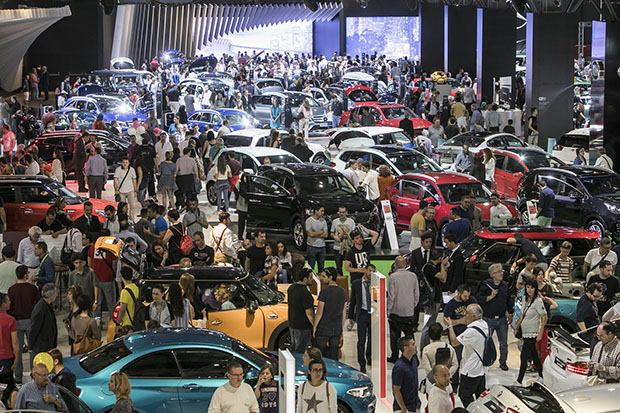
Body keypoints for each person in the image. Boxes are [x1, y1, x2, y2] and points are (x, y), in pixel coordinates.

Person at [445, 303, 487, 407]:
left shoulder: (472, 331)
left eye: (466, 313)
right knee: (480, 395)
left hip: (470, 370)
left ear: (473, 316)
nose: (464, 315)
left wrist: (450, 326)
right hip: (481, 369)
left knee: (464, 395)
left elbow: (454, 342)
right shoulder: (484, 324)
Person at [475, 263, 511, 371]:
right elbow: (479, 299)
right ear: (492, 274)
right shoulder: (485, 285)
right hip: (488, 318)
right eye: (499, 272)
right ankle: (485, 360)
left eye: (502, 271)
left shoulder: (504, 285)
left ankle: (503, 362)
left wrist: (510, 312)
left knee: (504, 343)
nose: (501, 273)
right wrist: (489, 297)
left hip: (501, 318)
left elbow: (508, 300)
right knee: (486, 341)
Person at [8, 265, 39, 383]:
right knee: (33, 349)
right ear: (26, 275)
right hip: (31, 320)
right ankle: (34, 374)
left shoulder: (12, 290)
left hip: (17, 322)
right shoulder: (32, 289)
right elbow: (37, 305)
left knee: (18, 350)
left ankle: (18, 377)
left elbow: (10, 307)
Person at [387, 256, 419, 363]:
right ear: (405, 265)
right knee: (410, 336)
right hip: (409, 312)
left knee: (395, 336)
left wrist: (388, 311)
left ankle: (395, 356)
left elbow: (391, 296)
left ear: (395, 265)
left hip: (396, 312)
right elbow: (416, 294)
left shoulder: (393, 277)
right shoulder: (413, 276)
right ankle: (414, 357)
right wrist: (412, 306)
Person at [515, 278, 547, 384]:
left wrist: (540, 332)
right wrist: (517, 327)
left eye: (532, 287)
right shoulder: (524, 299)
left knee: (524, 355)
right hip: (525, 331)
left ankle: (519, 380)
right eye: (528, 287)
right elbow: (522, 314)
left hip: (533, 332)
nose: (529, 290)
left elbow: (544, 316)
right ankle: (542, 376)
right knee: (533, 354)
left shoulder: (538, 301)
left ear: (535, 288)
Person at [313, 268, 346, 360]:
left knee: (321, 355)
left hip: (324, 328)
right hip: (337, 328)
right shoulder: (343, 292)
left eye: (324, 276)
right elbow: (344, 313)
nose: (321, 279)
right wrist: (341, 327)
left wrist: (314, 327)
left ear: (330, 277)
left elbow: (319, 313)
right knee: (334, 353)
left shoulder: (324, 293)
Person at [420, 249, 449, 351]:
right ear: (440, 258)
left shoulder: (433, 267)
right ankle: (423, 348)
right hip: (430, 301)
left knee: (430, 324)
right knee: (427, 326)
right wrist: (442, 266)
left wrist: (444, 266)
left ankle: (426, 346)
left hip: (435, 299)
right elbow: (443, 278)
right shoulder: (428, 267)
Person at [348, 264, 375, 373]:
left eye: (373, 271)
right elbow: (353, 301)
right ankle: (361, 363)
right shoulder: (356, 284)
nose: (371, 273)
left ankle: (369, 357)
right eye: (369, 271)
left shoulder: (375, 283)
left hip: (373, 314)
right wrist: (350, 316)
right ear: (364, 271)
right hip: (362, 314)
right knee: (361, 340)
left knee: (372, 339)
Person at [29, 283, 58, 369]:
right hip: (41, 346)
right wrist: (30, 345)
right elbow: (34, 328)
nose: (56, 295)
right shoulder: (40, 308)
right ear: (51, 294)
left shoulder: (46, 306)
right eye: (55, 293)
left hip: (46, 344)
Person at [288, 267, 314, 353]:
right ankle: (298, 366)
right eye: (310, 277)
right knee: (300, 351)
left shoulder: (291, 288)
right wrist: (315, 326)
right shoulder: (305, 293)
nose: (312, 279)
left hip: (292, 324)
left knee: (293, 348)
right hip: (303, 327)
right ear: (305, 279)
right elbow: (309, 313)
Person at [392, 336, 419, 413]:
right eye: (413, 344)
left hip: (414, 406)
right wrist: (403, 408)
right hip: (404, 408)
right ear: (406, 348)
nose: (415, 346)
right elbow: (396, 389)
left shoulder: (414, 361)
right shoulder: (399, 367)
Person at [331, 206, 356, 276]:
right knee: (338, 267)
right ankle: (340, 283)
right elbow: (331, 233)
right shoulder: (335, 221)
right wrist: (335, 237)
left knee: (351, 267)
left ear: (346, 213)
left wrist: (348, 237)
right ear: (338, 213)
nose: (342, 214)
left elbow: (354, 234)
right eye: (340, 212)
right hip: (337, 248)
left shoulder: (351, 222)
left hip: (348, 248)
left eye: (343, 212)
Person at [116, 267, 139, 332]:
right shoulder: (137, 288)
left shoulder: (125, 291)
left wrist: (117, 324)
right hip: (136, 322)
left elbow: (122, 310)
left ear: (121, 276)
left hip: (127, 325)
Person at [306, 206, 328, 272]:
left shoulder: (323, 221)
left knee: (321, 269)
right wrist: (321, 232)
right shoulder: (309, 221)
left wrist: (315, 233)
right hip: (311, 247)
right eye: (321, 211)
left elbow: (326, 235)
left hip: (322, 247)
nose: (323, 213)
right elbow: (310, 234)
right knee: (311, 269)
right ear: (316, 211)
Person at [0, 293, 17, 373]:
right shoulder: (10, 320)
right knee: (5, 384)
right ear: (4, 304)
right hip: (6, 357)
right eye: (8, 301)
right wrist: (16, 358)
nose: (10, 302)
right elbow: (15, 342)